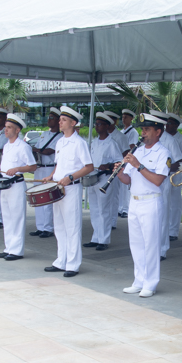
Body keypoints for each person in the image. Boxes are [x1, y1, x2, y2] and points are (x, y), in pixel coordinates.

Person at [120, 113, 170, 297]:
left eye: (147, 129)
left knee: (151, 245)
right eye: (142, 129)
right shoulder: (138, 151)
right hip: (134, 201)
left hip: (151, 202)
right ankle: (138, 280)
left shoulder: (163, 153)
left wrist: (139, 165)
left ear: (158, 132)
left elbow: (157, 180)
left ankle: (151, 283)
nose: (143, 133)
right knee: (136, 244)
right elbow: (127, 179)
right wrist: (117, 172)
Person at [42, 106, 94, 277]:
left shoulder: (79, 143)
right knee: (59, 226)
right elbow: (59, 165)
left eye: (63, 120)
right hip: (57, 187)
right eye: (60, 119)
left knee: (72, 227)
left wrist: (70, 177)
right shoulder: (60, 142)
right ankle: (61, 260)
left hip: (71, 188)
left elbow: (89, 167)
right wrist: (51, 176)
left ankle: (73, 264)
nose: (60, 122)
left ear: (72, 123)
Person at [0, 113, 37, 261]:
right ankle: (8, 247)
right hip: (5, 185)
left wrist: (17, 169)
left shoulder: (23, 146)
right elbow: (7, 164)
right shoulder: (6, 146)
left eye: (9, 128)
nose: (6, 130)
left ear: (17, 130)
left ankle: (16, 250)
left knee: (16, 218)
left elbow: (33, 166)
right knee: (7, 218)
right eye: (6, 127)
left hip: (16, 185)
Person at [85, 113, 122, 251]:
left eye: (100, 124)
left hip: (105, 179)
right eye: (96, 124)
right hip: (92, 178)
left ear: (107, 126)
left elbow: (119, 163)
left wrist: (107, 166)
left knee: (103, 210)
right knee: (94, 209)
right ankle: (96, 237)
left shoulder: (112, 143)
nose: (97, 126)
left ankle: (104, 239)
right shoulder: (94, 142)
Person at [30, 108, 62, 239]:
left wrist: (34, 149)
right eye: (48, 118)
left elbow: (49, 151)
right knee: (37, 197)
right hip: (39, 167)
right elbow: (38, 148)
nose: (49, 120)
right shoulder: (43, 134)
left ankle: (48, 227)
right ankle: (40, 226)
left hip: (49, 168)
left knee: (47, 199)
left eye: (51, 118)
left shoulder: (60, 137)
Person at [163, 113, 182, 244]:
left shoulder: (181, 140)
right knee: (165, 204)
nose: (167, 126)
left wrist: (178, 166)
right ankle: (166, 229)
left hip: (176, 174)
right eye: (166, 123)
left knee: (174, 204)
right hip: (164, 174)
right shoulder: (162, 137)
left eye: (170, 123)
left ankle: (173, 231)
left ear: (176, 125)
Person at [118, 109, 140, 218]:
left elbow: (132, 147)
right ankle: (120, 207)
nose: (123, 119)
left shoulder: (133, 132)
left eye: (126, 117)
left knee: (125, 187)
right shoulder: (122, 131)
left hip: (127, 160)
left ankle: (125, 209)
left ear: (131, 119)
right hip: (121, 159)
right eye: (122, 117)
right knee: (120, 187)